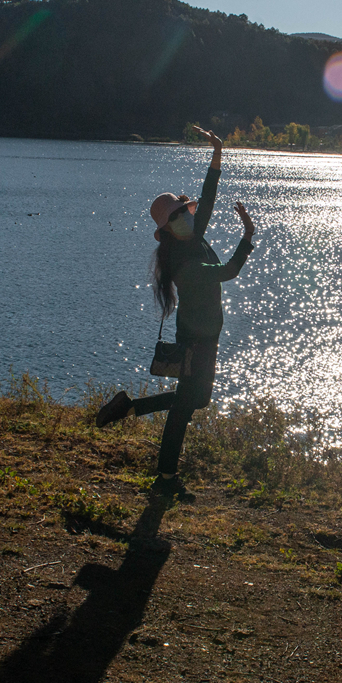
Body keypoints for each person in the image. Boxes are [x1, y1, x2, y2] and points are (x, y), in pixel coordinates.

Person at [96, 128, 256, 497]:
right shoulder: (183, 262)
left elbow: (210, 196)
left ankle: (130, 410)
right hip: (197, 341)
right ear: (168, 229)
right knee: (187, 405)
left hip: (206, 336)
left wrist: (217, 153)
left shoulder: (192, 237)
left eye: (185, 211)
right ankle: (165, 478)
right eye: (179, 216)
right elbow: (229, 272)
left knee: (193, 400)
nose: (187, 216)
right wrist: (246, 238)